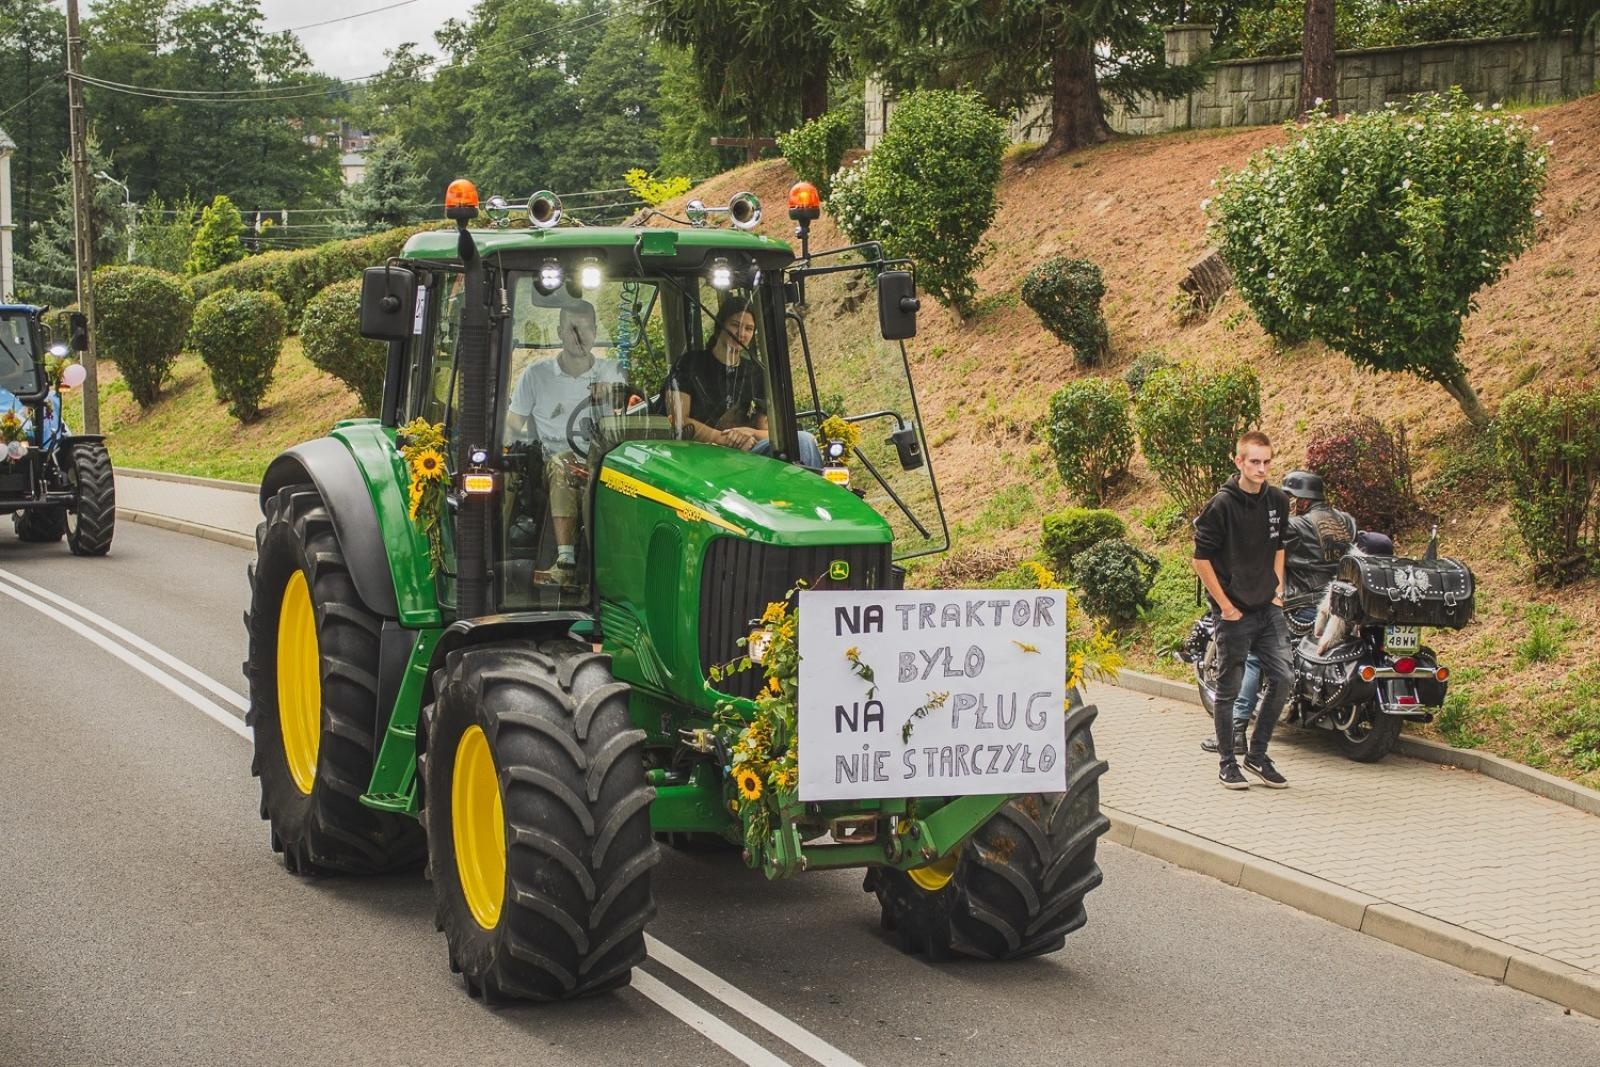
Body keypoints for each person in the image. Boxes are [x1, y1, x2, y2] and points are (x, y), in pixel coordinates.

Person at [1201, 469, 1355, 754]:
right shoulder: (1346, 521)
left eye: (1294, 498)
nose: (1291, 503)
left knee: (1253, 656)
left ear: (1304, 501)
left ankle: (1236, 732)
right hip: (1337, 603)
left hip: (1303, 605)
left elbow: (1268, 549)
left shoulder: (1297, 526)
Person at [1192, 430, 1293, 790]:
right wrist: (1226, 606)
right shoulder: (1221, 505)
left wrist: (1277, 590)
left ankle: (1257, 755)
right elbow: (1200, 560)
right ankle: (1227, 762)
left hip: (1268, 608)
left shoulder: (1279, 501)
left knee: (1284, 679)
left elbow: (1280, 546)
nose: (1262, 468)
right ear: (1239, 462)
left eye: (1266, 462)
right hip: (1233, 612)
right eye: (1254, 461)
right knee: (1229, 688)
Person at [505, 299, 625, 578]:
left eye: (585, 329)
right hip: (551, 463)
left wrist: (614, 392)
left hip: (604, 462)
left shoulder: (611, 371)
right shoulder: (536, 376)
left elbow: (629, 403)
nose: (579, 336)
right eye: (572, 328)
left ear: (595, 332)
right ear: (559, 332)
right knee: (563, 463)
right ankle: (565, 560)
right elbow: (511, 426)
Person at [663, 297, 823, 469]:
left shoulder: (756, 373)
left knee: (803, 440)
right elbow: (677, 419)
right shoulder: (689, 364)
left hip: (747, 454)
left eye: (749, 328)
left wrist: (749, 433)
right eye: (735, 325)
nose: (741, 333)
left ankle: (810, 494)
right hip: (700, 455)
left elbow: (768, 431)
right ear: (720, 325)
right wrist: (723, 438)